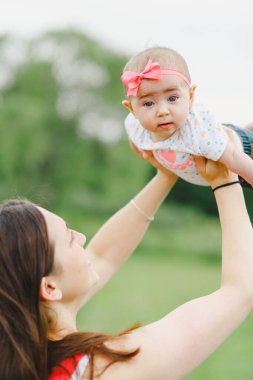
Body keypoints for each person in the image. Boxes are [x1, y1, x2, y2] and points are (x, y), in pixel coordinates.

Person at [1, 150, 253, 380]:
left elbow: (103, 256)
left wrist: (165, 176)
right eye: (69, 237)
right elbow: (240, 290)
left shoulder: (19, 359)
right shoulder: (100, 370)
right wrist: (224, 178)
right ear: (50, 288)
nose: (82, 238)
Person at [121, 46, 253, 188]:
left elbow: (234, 157)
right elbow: (134, 140)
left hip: (244, 156)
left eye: (172, 98)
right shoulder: (135, 127)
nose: (163, 111)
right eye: (148, 103)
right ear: (132, 110)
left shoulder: (196, 133)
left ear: (190, 97)